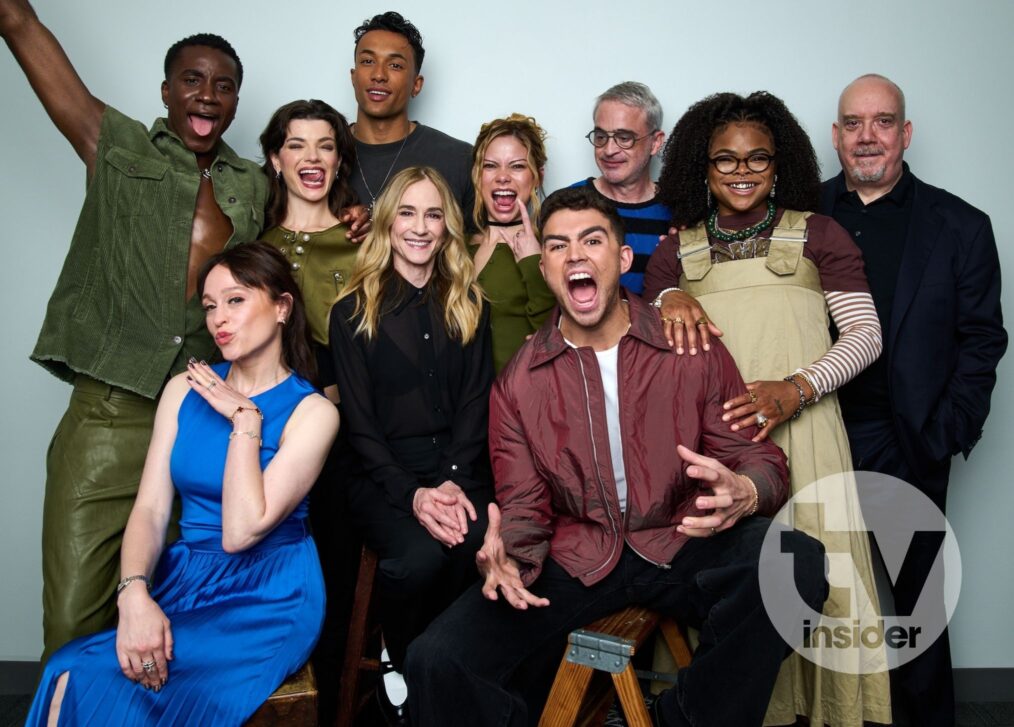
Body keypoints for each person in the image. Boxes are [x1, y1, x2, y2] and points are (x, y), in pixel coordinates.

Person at [404, 186, 827, 727]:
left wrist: (747, 491)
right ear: (545, 268)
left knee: (797, 564)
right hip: (576, 554)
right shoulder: (518, 383)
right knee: (435, 660)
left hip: (681, 537)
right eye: (557, 246)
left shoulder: (688, 348)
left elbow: (757, 456)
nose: (575, 255)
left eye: (592, 240)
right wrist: (506, 552)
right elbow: (524, 505)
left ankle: (684, 720)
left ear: (622, 259)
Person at [0, 0, 270, 660]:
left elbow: (301, 252)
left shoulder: (257, 184)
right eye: (191, 79)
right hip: (110, 412)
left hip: (200, 416)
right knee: (73, 619)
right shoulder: (113, 144)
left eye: (224, 84)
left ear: (235, 100)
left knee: (177, 622)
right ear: (166, 91)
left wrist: (350, 212)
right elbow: (19, 24)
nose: (207, 94)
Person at [643, 91, 890, 726]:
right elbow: (651, 345)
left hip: (807, 436)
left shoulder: (820, 234)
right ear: (702, 167)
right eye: (725, 161)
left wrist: (798, 388)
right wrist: (667, 294)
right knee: (739, 592)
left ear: (780, 166)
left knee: (822, 580)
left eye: (758, 159)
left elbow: (866, 336)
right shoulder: (678, 251)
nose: (742, 171)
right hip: (720, 449)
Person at [24, 242, 339, 726]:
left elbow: (240, 532)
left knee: (91, 677)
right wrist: (133, 594)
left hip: (268, 595)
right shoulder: (184, 389)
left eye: (235, 300)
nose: (218, 319)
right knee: (67, 668)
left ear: (282, 307)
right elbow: (150, 510)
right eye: (210, 306)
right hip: (188, 577)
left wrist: (245, 419)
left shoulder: (313, 412)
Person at [821, 73, 1007, 727]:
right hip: (814, 435)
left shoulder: (960, 226)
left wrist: (949, 427)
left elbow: (982, 339)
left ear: (905, 132)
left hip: (908, 438)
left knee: (917, 603)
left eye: (881, 121)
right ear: (835, 134)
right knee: (804, 596)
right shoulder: (798, 218)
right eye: (852, 122)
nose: (866, 135)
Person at [328, 166, 493, 710]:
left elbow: (475, 402)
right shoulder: (352, 311)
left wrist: (450, 482)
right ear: (387, 222)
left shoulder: (471, 301)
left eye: (433, 213)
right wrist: (415, 495)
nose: (420, 227)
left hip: (457, 466)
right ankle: (403, 656)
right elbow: (360, 426)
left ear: (448, 225)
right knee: (418, 559)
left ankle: (451, 669)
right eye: (407, 212)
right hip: (382, 475)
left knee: (477, 545)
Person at [259, 98, 359, 403]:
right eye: (297, 146)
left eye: (326, 147)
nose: (313, 157)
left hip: (341, 411)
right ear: (276, 160)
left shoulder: (362, 245)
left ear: (339, 161)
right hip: (260, 407)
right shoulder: (257, 242)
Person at [348, 11, 474, 219]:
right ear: (353, 77)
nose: (378, 75)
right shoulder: (322, 156)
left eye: (395, 65)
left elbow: (481, 245)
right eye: (368, 61)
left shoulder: (459, 160)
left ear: (416, 85)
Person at [469, 114, 556, 372]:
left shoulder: (554, 246)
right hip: (463, 406)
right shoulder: (455, 246)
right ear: (477, 175)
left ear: (537, 176)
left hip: (524, 400)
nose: (503, 177)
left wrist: (533, 262)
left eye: (517, 166)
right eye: (490, 166)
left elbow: (556, 335)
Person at [569, 81, 670, 294]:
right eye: (601, 137)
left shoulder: (678, 209)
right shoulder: (568, 203)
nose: (609, 150)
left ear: (656, 142)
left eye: (624, 138)